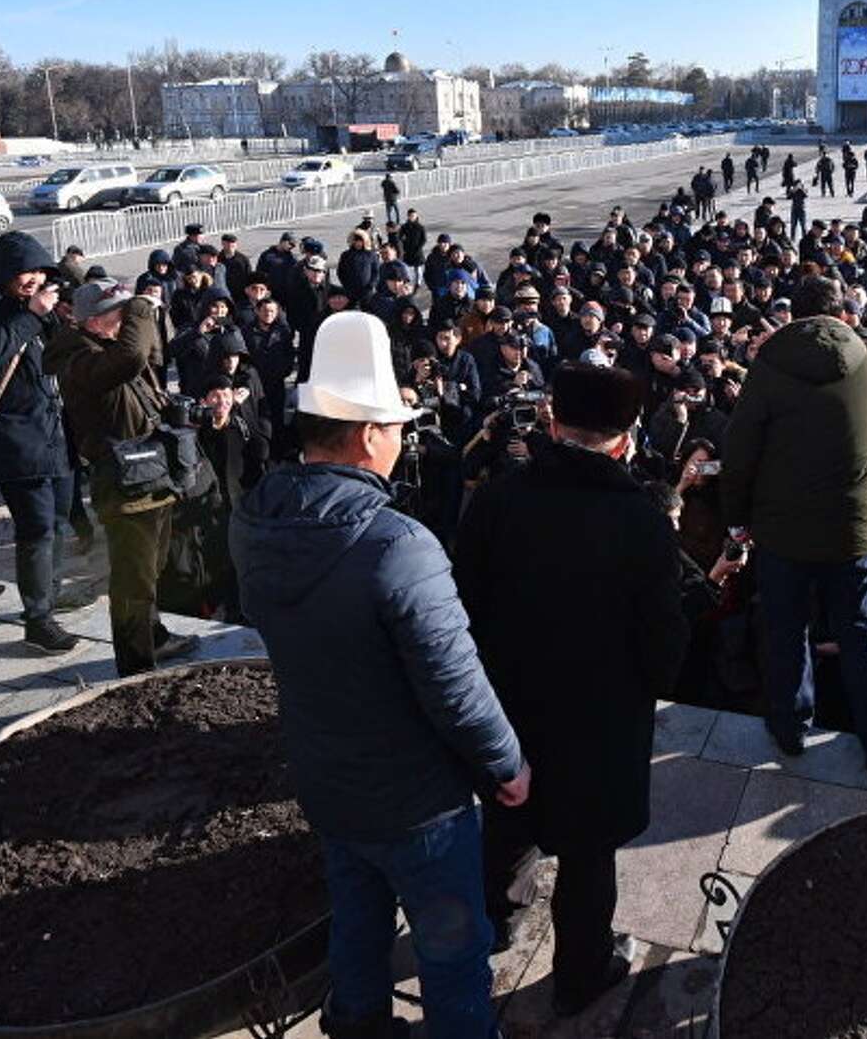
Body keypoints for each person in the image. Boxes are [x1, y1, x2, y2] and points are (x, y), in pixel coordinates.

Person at [233, 312, 528, 1039]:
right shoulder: (397, 546)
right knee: (453, 950)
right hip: (417, 799)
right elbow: (455, 686)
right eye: (397, 426)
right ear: (368, 433)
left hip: (326, 774)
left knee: (356, 914)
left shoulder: (255, 519)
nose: (402, 441)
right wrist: (507, 763)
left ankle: (358, 1023)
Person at [457, 364, 688, 1017]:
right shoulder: (642, 519)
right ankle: (583, 970)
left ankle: (493, 923)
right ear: (624, 439)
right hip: (602, 722)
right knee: (589, 854)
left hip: (509, 707)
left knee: (506, 819)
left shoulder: (500, 498)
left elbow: (463, 605)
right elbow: (663, 642)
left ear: (553, 424)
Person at [722, 275, 867, 768]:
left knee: (787, 634)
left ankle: (791, 728)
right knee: (861, 635)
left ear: (792, 315)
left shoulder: (767, 367)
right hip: (853, 529)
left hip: (783, 531)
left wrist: (737, 520)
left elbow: (739, 451)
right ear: (843, 313)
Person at [46, 279, 196, 676]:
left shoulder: (103, 347)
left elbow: (147, 354)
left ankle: (154, 637)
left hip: (148, 476)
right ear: (94, 321)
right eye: (120, 313)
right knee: (133, 580)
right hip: (123, 486)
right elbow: (132, 356)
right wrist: (143, 309)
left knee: (152, 567)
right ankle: (135, 667)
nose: (126, 319)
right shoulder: (78, 360)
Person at [0, 232, 78, 654]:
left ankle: (52, 594)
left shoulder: (39, 303)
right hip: (15, 436)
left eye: (41, 272)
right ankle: (38, 619)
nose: (35, 279)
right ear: (5, 270)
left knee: (60, 520)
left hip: (54, 431)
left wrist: (59, 316)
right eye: (28, 271)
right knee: (36, 529)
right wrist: (31, 313)